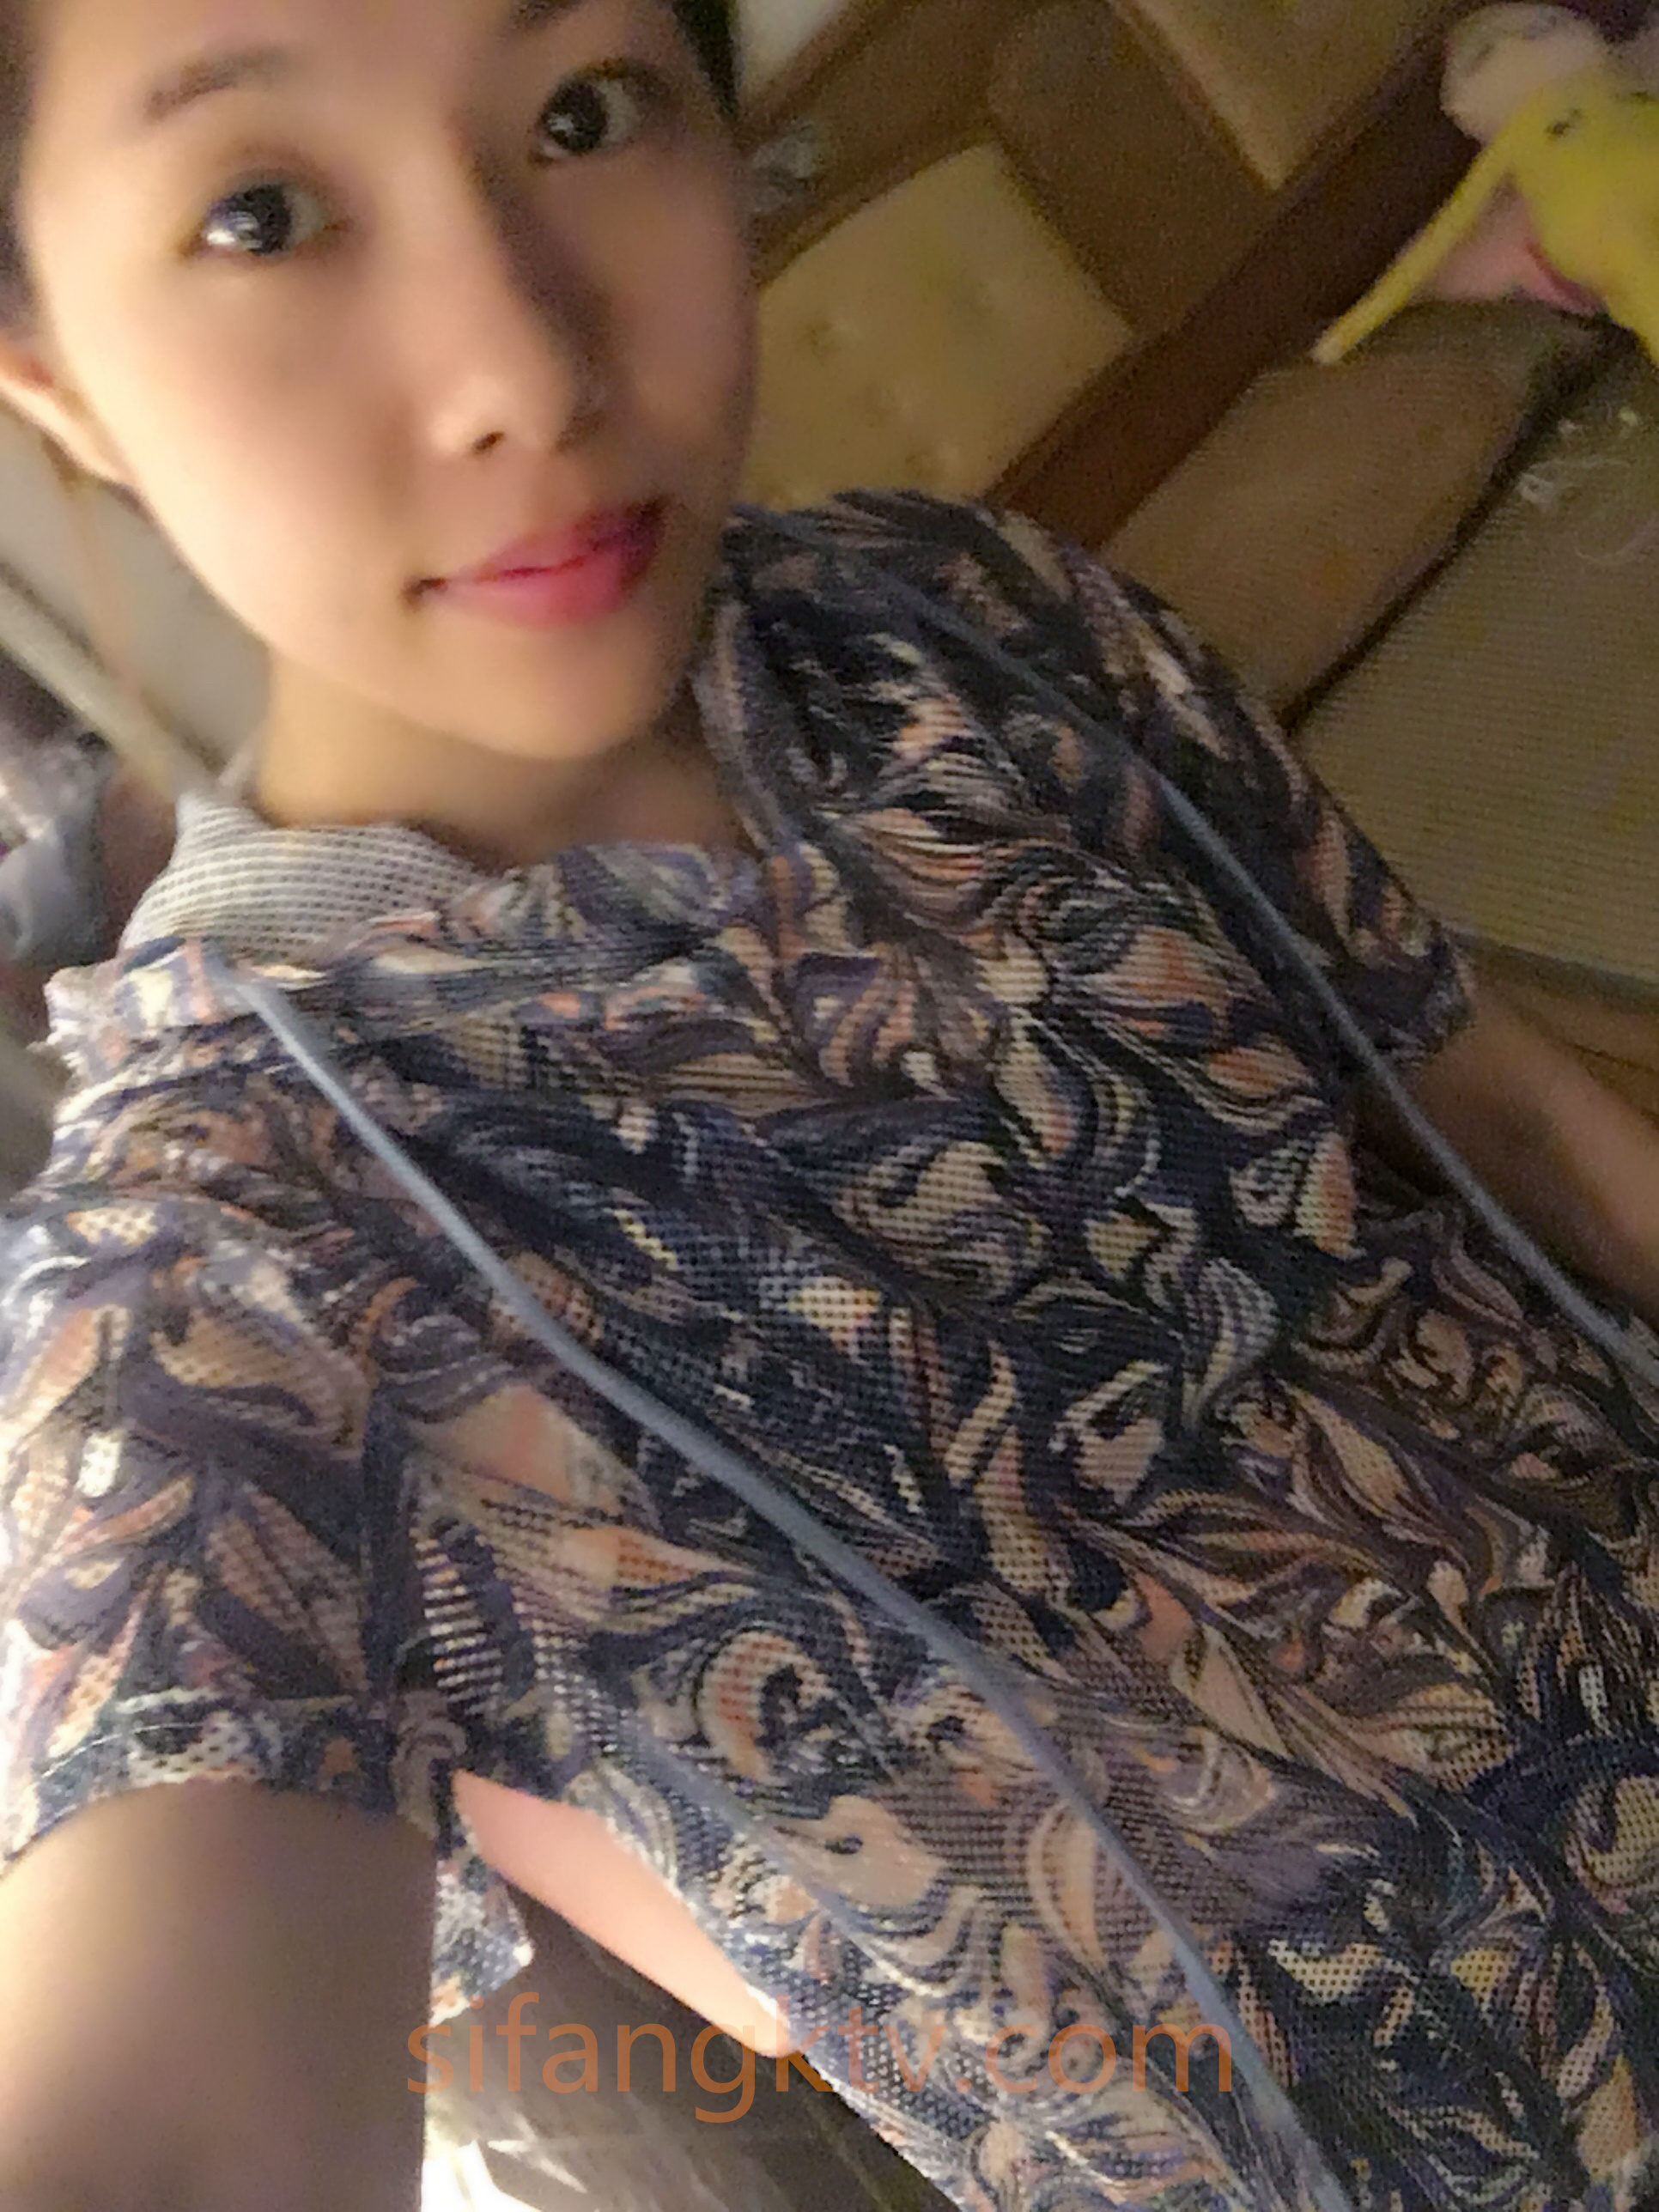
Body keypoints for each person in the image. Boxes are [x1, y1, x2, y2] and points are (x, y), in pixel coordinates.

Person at [1, 2, 1658, 2208]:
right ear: (52, 375)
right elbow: (166, 2097)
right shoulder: (235, 1260)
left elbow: (1517, 1119)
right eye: (262, 213)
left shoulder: (963, 623)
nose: (526, 371)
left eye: (583, 111)